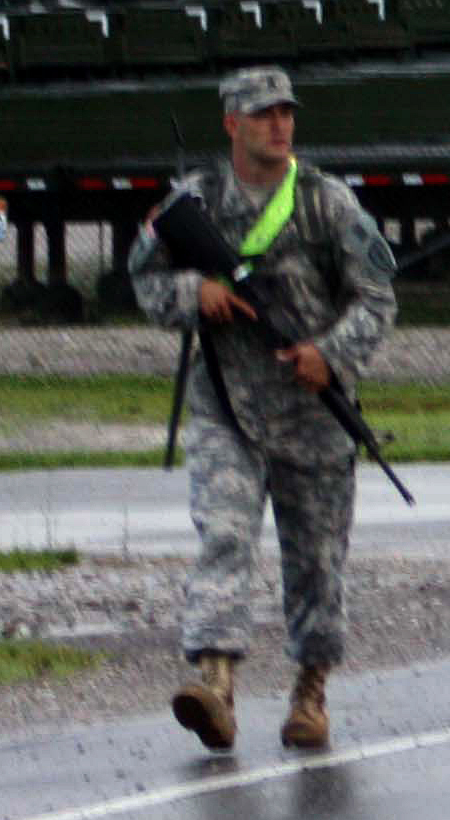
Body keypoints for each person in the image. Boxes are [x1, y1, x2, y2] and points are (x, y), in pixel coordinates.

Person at [126, 65, 398, 755]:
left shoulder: (326, 203)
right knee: (224, 535)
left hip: (312, 410)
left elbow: (377, 298)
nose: (278, 124)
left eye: (285, 112)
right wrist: (196, 295)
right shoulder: (199, 201)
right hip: (229, 407)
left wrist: (330, 354)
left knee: (316, 562)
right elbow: (143, 274)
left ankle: (310, 692)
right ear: (232, 124)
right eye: (262, 113)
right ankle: (214, 685)